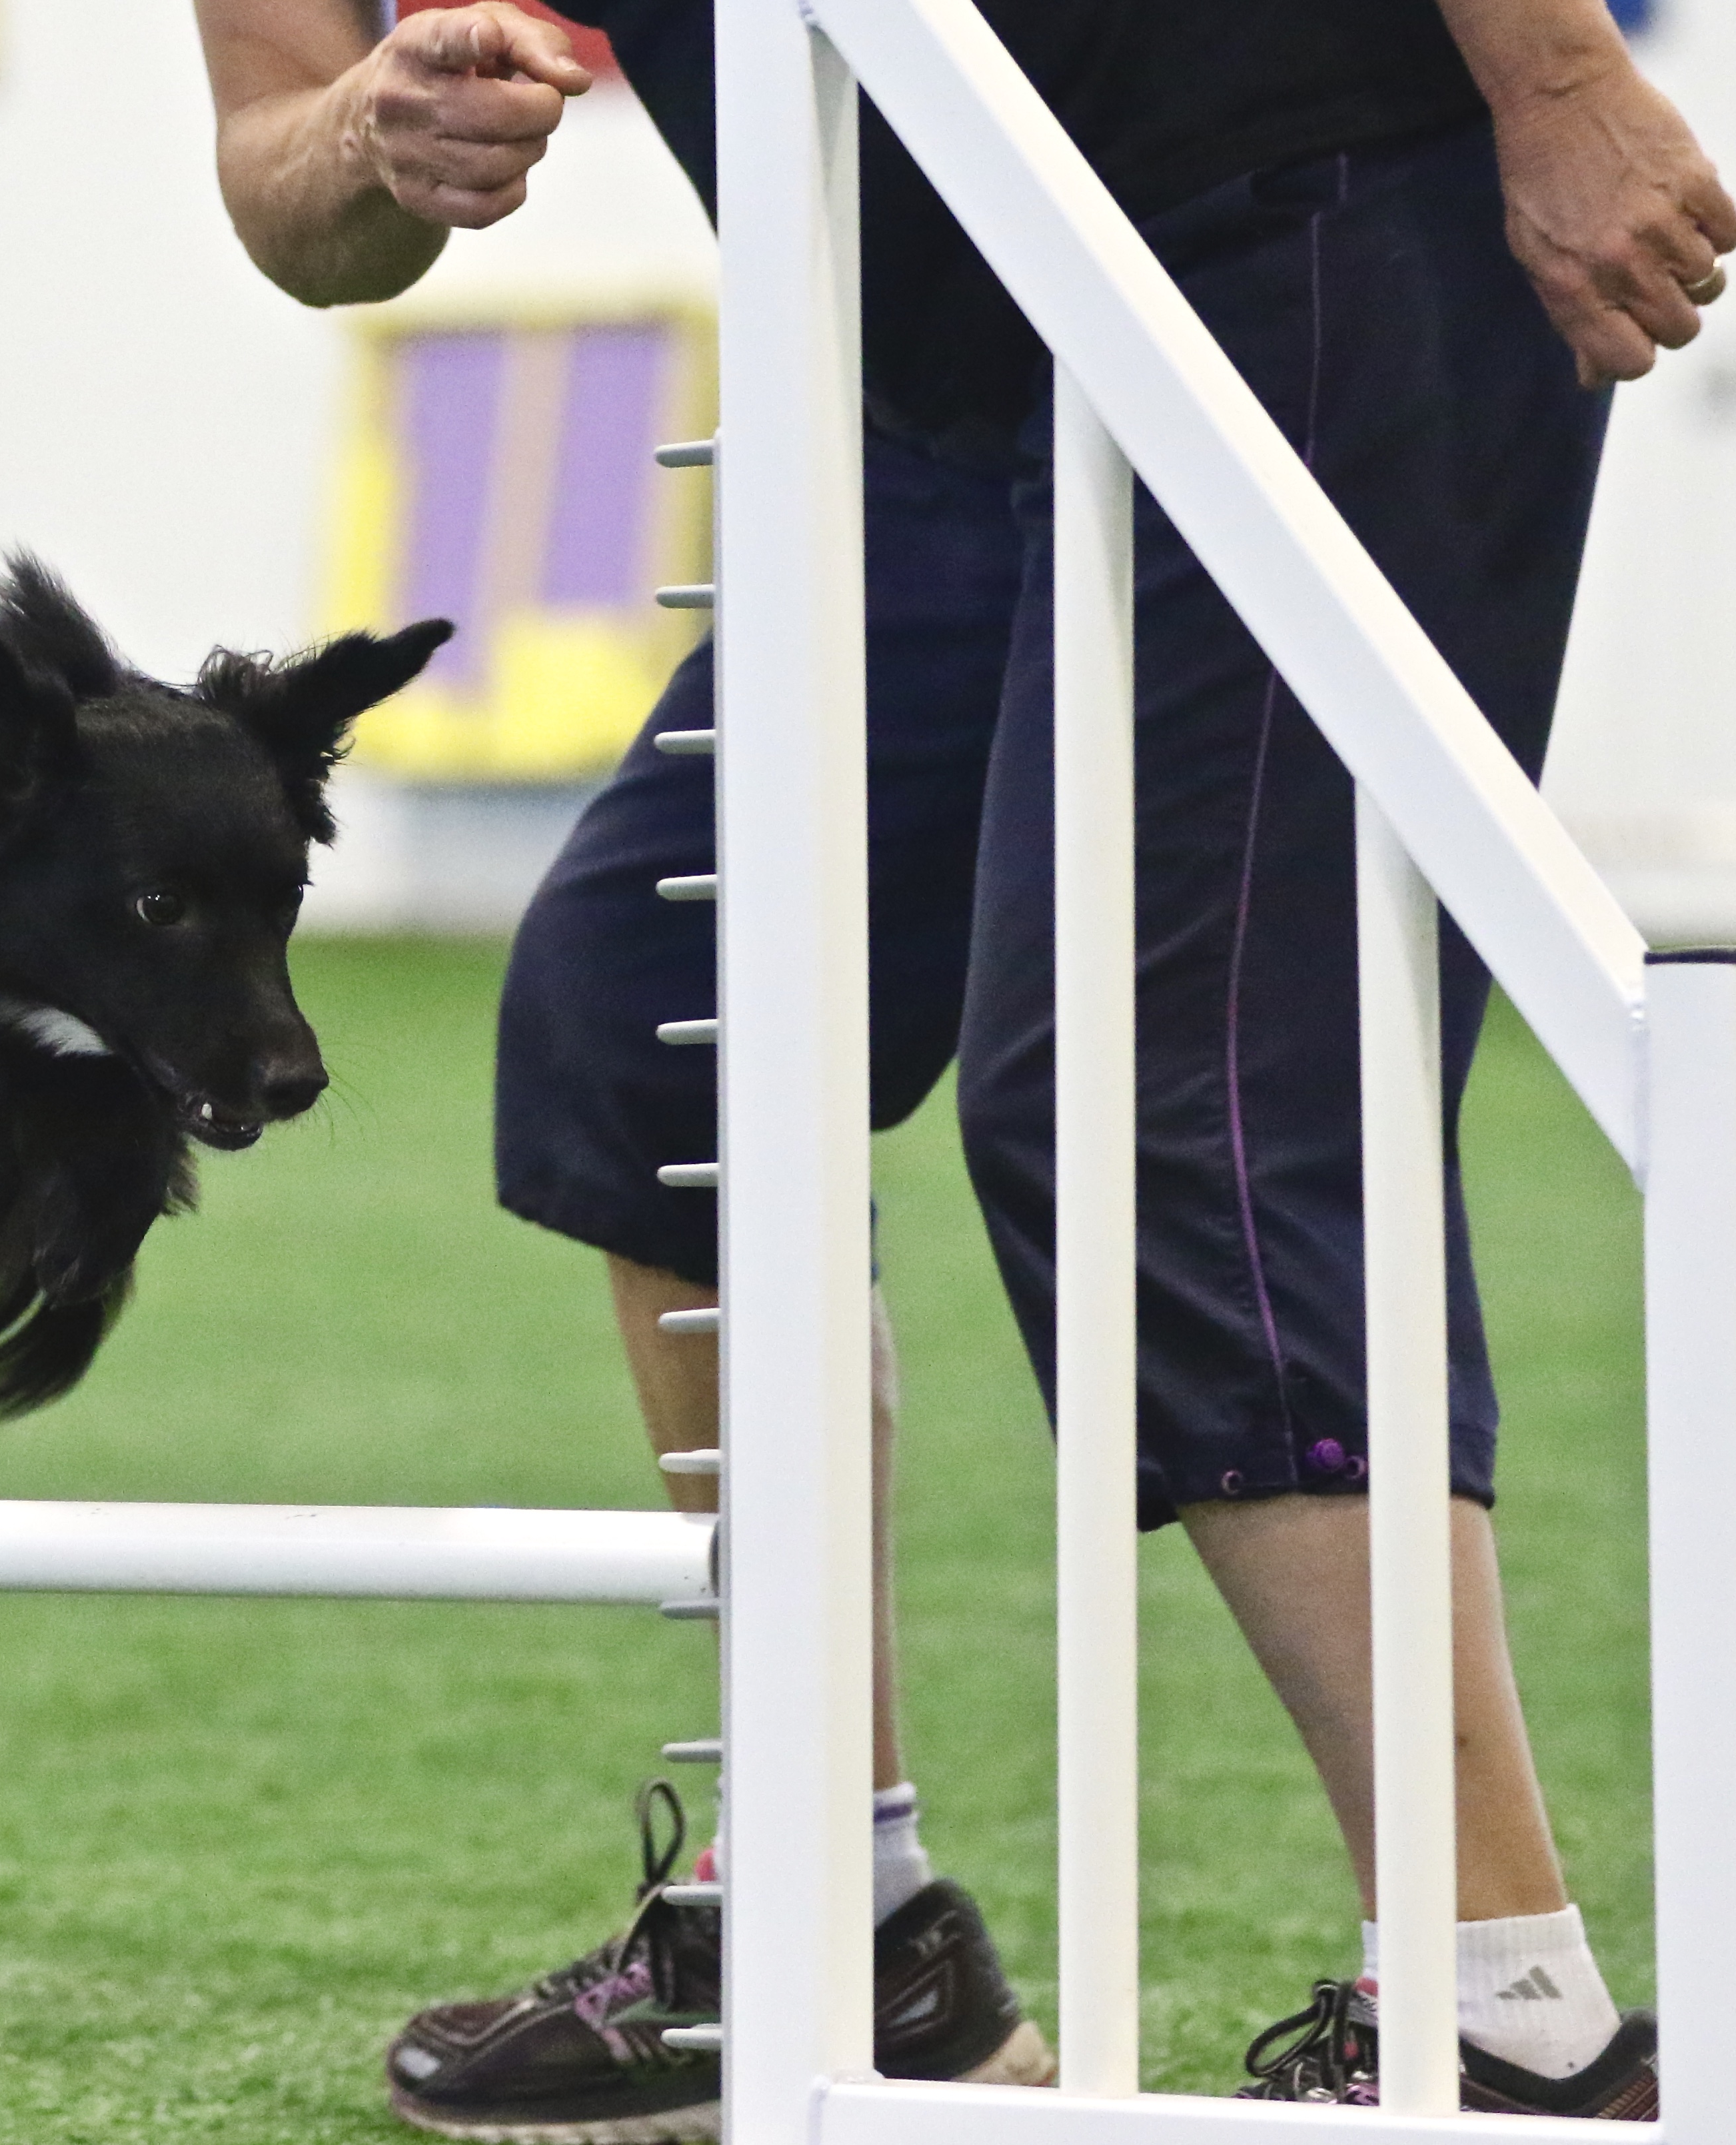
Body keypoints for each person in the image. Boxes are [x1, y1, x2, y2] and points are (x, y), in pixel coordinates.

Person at [189, 0, 1733, 2134]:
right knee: (657, 1021)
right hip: (929, 362)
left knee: (1172, 1091)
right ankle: (853, 1929)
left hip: (1307, 214)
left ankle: (1509, 2019)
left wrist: (1555, 76)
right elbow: (282, 174)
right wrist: (372, 130)